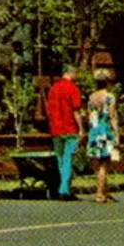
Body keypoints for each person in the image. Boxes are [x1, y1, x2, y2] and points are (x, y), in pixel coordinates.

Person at [44, 65, 83, 199]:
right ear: (71, 73)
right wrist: (81, 128)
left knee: (60, 160)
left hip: (55, 128)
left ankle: (63, 186)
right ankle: (64, 189)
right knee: (68, 159)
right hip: (70, 128)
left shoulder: (53, 89)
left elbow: (48, 110)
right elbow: (76, 110)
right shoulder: (73, 88)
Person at [86, 69, 121, 203]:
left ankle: (105, 191)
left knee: (97, 163)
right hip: (105, 130)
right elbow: (112, 116)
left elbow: (90, 115)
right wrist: (117, 133)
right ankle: (100, 193)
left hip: (94, 130)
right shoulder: (109, 97)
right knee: (104, 164)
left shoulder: (91, 97)